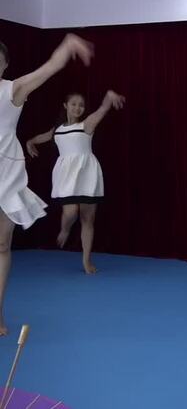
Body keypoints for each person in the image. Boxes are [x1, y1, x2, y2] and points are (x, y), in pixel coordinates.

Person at [0, 33, 94, 335]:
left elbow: (48, 68)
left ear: (4, 65)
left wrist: (67, 46)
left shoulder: (12, 89)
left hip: (5, 171)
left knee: (2, 244)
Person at [26, 90, 126, 274]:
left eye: (81, 105)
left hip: (87, 174)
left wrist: (110, 96)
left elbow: (102, 109)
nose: (78, 108)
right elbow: (43, 137)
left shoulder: (86, 124)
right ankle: (65, 229)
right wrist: (30, 142)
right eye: (73, 104)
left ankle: (86, 260)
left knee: (88, 219)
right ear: (65, 106)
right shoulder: (58, 129)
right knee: (71, 212)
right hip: (67, 176)